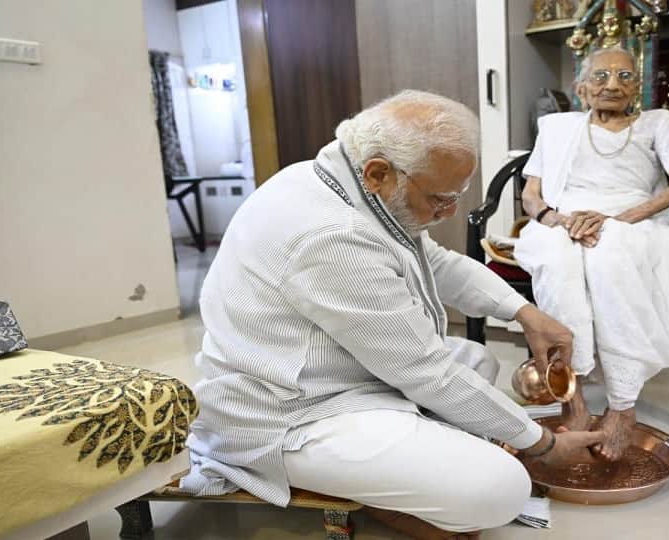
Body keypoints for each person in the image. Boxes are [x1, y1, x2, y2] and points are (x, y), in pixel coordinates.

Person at [180, 90, 605, 540]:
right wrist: (546, 445)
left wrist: (524, 312)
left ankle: (393, 482)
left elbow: (436, 263)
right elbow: (427, 373)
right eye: (442, 198)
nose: (451, 211)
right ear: (379, 173)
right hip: (292, 412)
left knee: (479, 362)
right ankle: (362, 489)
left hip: (340, 371)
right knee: (502, 487)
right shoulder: (331, 234)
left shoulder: (344, 184)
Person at [515, 45, 669, 461]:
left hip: (631, 221)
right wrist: (559, 221)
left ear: (638, 87)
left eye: (624, 77)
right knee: (560, 263)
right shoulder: (558, 127)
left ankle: (622, 403)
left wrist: (617, 219)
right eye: (600, 77)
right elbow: (531, 194)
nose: (612, 84)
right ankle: (571, 395)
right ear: (581, 89)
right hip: (564, 219)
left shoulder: (657, 122)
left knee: (609, 260)